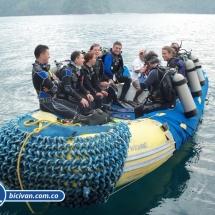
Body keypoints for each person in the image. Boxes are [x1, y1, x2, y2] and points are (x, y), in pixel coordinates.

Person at [32, 44, 79, 119]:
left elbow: (53, 85)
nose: (49, 56)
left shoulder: (42, 67)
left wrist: (52, 83)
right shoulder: (39, 71)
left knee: (76, 107)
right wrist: (54, 82)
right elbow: (55, 89)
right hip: (46, 104)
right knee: (75, 115)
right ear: (42, 55)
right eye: (48, 54)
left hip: (52, 100)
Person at [134, 51, 176, 118]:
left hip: (162, 103)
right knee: (144, 104)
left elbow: (142, 86)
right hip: (168, 101)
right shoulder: (162, 68)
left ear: (148, 62)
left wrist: (142, 73)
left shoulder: (154, 72)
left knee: (137, 109)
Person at [55, 51, 94, 115]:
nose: (84, 60)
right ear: (76, 59)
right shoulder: (67, 71)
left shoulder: (77, 69)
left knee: (90, 99)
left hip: (73, 93)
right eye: (82, 58)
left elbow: (79, 84)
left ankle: (90, 115)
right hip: (66, 96)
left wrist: (87, 93)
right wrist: (80, 99)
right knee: (82, 104)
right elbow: (67, 89)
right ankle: (84, 118)